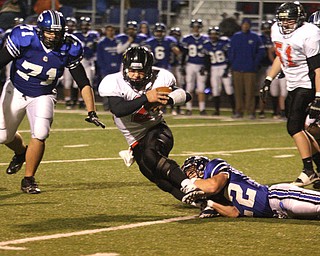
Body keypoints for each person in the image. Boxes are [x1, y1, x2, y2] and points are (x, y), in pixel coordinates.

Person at [0, 10, 105, 194]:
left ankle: (28, 179)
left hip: (44, 94)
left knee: (40, 133)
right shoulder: (23, 37)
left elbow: (82, 81)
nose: (53, 36)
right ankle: (21, 152)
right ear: (40, 30)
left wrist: (92, 111)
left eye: (57, 32)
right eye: (49, 31)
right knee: (3, 137)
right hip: (16, 89)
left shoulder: (69, 46)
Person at [98, 46, 204, 203]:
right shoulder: (113, 81)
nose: (136, 75)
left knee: (150, 154)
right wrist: (146, 98)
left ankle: (190, 185)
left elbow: (185, 94)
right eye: (132, 71)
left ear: (148, 69)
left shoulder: (160, 78)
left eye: (140, 71)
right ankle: (201, 202)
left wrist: (169, 99)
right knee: (154, 175)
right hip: (135, 140)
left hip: (157, 130)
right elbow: (118, 109)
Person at [260, 2, 320, 187]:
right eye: (282, 20)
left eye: (289, 20)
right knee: (305, 128)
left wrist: (318, 95)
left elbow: (318, 69)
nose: (285, 24)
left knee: (294, 127)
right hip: (292, 84)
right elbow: (281, 55)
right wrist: (269, 79)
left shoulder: (309, 32)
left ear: (300, 20)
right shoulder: (276, 30)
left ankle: (308, 170)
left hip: (307, 84)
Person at [181, 156, 320, 219]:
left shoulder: (215, 166)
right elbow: (234, 212)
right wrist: (210, 203)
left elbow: (213, 186)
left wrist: (191, 182)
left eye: (192, 172)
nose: (191, 176)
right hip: (278, 212)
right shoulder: (214, 194)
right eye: (188, 175)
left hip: (278, 196)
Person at [229, 18, 265, 119]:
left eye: (247, 24)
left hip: (250, 69)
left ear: (250, 25)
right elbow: (231, 51)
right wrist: (233, 62)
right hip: (237, 68)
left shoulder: (255, 37)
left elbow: (261, 52)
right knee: (238, 91)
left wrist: (255, 63)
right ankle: (238, 111)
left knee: (250, 91)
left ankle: (251, 111)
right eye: (244, 24)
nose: (245, 26)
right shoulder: (236, 37)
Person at [202, 26, 235, 116]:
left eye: (215, 34)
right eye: (211, 34)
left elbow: (229, 56)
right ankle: (217, 110)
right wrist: (205, 68)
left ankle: (234, 110)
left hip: (223, 66)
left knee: (229, 89)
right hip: (214, 68)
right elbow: (206, 59)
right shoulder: (207, 44)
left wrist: (227, 68)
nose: (213, 36)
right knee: (215, 89)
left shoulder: (224, 42)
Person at [181, 19, 208, 116]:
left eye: (198, 27)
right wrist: (182, 65)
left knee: (201, 88)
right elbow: (184, 54)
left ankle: (202, 109)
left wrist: (205, 66)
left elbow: (207, 56)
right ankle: (189, 109)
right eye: (194, 27)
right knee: (189, 87)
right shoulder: (186, 39)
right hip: (190, 65)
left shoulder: (205, 39)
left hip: (201, 65)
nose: (196, 29)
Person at [73, 16, 100, 108]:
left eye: (86, 25)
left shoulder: (94, 35)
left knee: (89, 81)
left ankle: (83, 101)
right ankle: (77, 100)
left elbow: (97, 48)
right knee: (77, 81)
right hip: (79, 59)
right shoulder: (76, 34)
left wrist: (94, 57)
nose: (84, 27)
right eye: (83, 25)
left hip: (90, 60)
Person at [96, 24, 122, 111]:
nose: (110, 32)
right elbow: (99, 57)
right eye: (108, 30)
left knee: (117, 89)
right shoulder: (102, 43)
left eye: (112, 30)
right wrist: (103, 67)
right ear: (105, 31)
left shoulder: (118, 42)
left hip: (117, 69)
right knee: (106, 88)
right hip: (106, 69)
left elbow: (121, 55)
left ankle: (116, 106)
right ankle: (106, 106)